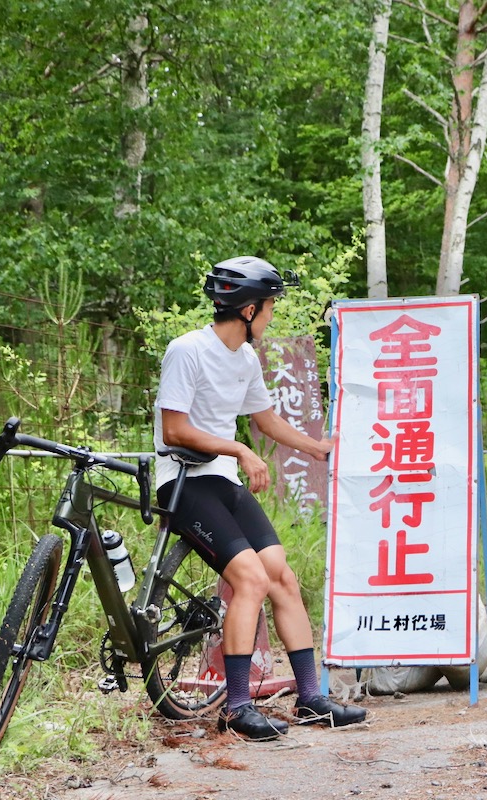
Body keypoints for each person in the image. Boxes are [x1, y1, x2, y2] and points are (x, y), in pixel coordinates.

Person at [154, 256, 366, 739]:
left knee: (281, 575)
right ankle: (236, 706)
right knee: (250, 578)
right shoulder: (187, 351)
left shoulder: (246, 358)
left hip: (223, 481)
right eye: (270, 307)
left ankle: (311, 699)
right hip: (184, 480)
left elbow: (264, 421)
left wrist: (319, 449)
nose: (271, 316)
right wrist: (239, 450)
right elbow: (174, 428)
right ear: (249, 310)